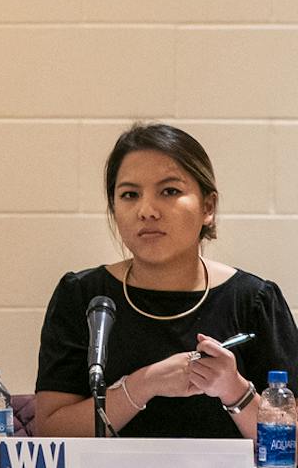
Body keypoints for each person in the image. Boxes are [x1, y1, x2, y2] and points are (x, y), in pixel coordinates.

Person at [33, 122, 298, 439]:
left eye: (169, 191)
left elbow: (293, 444)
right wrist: (143, 385)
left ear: (208, 207)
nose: (147, 210)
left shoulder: (254, 300)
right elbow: (50, 433)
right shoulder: (83, 296)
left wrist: (234, 391)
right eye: (130, 194)